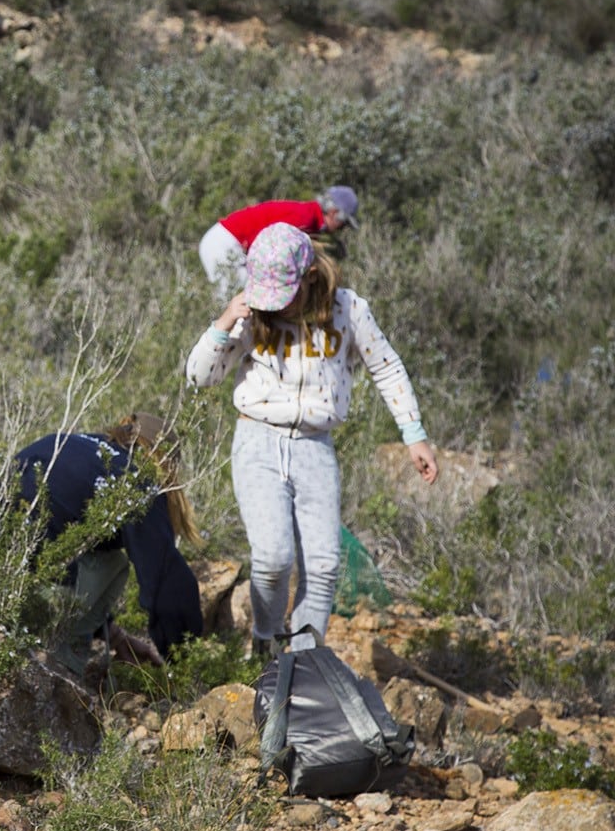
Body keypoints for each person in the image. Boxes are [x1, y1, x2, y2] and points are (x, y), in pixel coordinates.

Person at [185, 223, 437, 656]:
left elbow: (387, 366)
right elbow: (200, 376)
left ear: (310, 278)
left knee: (322, 566)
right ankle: (265, 647)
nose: (277, 306)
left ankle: (303, 666)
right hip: (257, 440)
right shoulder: (252, 314)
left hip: (314, 447)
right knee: (272, 558)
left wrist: (413, 434)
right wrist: (225, 320)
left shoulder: (348, 310)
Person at [0, 414, 205, 678]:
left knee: (86, 546)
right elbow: (165, 583)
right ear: (163, 460)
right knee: (112, 564)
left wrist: (115, 636)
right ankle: (61, 667)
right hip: (10, 592)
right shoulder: (137, 478)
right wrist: (184, 664)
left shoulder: (71, 442)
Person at [197, 186, 360, 293]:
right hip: (225, 244)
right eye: (344, 223)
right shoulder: (306, 219)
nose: (342, 229)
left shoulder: (309, 216)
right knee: (241, 301)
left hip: (224, 241)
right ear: (333, 213)